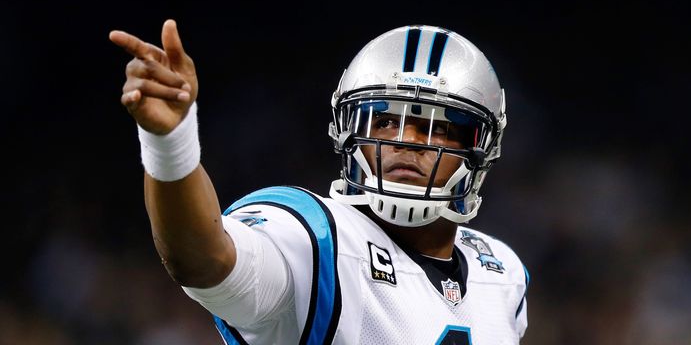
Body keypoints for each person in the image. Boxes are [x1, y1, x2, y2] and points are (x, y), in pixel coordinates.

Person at [110, 20, 530, 344]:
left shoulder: (502, 271)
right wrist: (170, 143)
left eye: (436, 128)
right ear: (347, 130)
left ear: (480, 147)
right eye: (384, 120)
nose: (406, 142)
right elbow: (202, 259)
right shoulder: (316, 237)